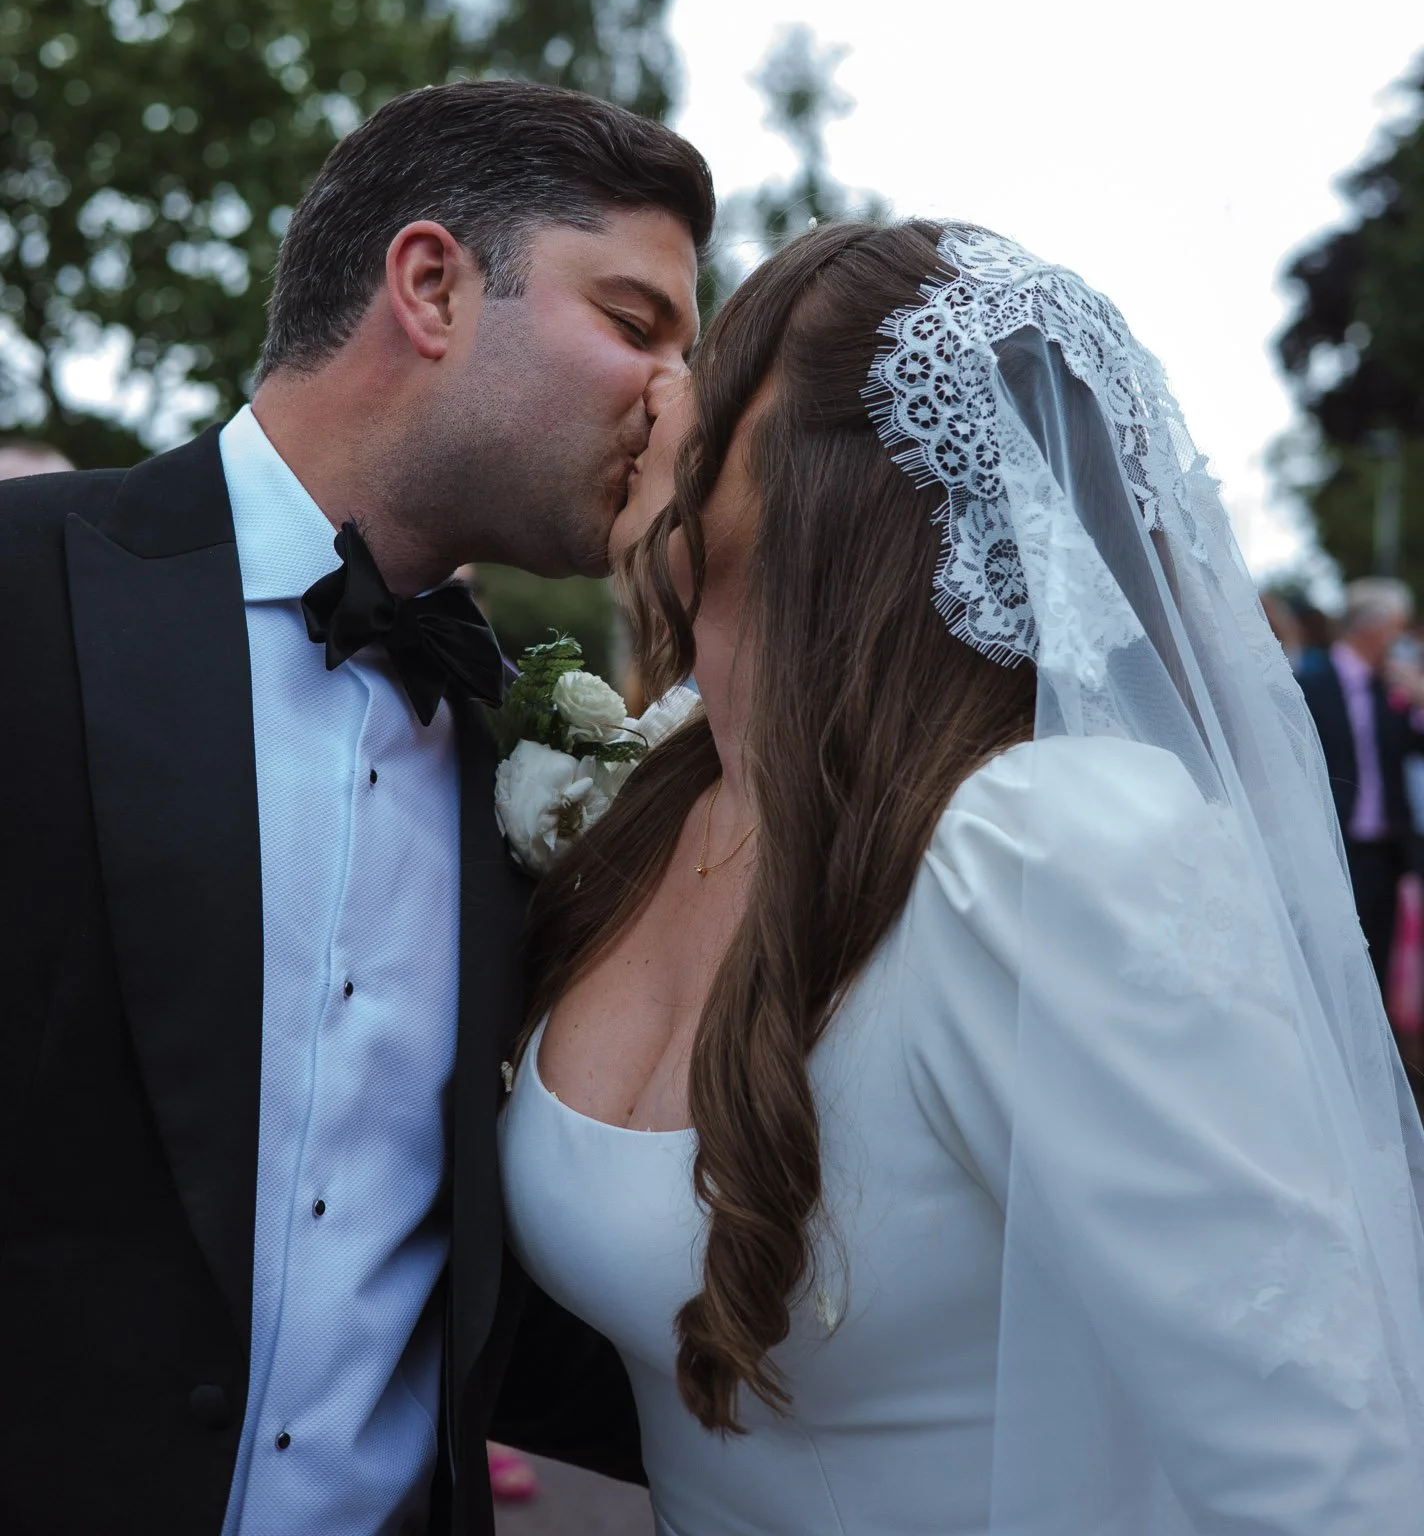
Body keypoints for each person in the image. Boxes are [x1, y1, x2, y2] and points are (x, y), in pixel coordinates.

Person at [499, 219, 1424, 1535]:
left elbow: (1323, 1475)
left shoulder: (1041, 855)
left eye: (714, 353)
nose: (660, 389)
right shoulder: (667, 801)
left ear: (826, 473)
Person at [0, 80, 709, 1536]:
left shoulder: (545, 751)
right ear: (433, 285)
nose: (672, 398)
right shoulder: (21, 588)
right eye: (638, 325)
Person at [1297, 577, 1424, 989]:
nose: (1400, 639)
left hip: (1387, 851)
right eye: (1396, 628)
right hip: (1333, 846)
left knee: (1380, 966)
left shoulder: (1394, 686)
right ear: (1372, 627)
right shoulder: (1310, 682)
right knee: (1334, 963)